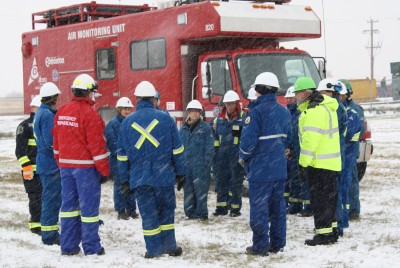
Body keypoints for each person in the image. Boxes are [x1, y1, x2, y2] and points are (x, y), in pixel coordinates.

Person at [117, 81, 185, 258]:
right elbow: (177, 150)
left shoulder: (126, 123)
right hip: (164, 176)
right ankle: (169, 247)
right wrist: (181, 173)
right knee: (166, 212)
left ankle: (154, 250)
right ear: (154, 98)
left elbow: (122, 156)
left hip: (140, 178)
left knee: (148, 215)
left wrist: (124, 179)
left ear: (137, 98)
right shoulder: (166, 119)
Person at [53, 74, 110, 256]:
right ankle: (92, 247)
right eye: (93, 92)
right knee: (89, 210)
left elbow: (56, 144)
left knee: (69, 208)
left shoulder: (62, 111)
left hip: (66, 168)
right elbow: (98, 146)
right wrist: (104, 171)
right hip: (85, 169)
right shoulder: (90, 114)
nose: (94, 96)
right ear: (88, 92)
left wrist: (61, 163)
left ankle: (68, 246)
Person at [240, 72, 292, 256]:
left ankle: (260, 246)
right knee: (278, 208)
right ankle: (278, 244)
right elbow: (288, 140)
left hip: (260, 172)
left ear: (259, 90)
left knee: (259, 210)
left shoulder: (255, 113)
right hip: (279, 170)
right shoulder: (285, 112)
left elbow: (247, 144)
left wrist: (243, 157)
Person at [293, 77, 341, 246]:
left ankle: (324, 235)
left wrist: (302, 163)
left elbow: (309, 141)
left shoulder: (313, 111)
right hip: (331, 162)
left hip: (319, 163)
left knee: (321, 201)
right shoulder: (324, 107)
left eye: (297, 93)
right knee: (330, 200)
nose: (295, 97)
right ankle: (332, 230)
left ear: (305, 93)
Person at [317, 79, 348, 239]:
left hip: (332, 155)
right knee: (334, 193)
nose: (320, 95)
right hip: (335, 154)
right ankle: (336, 226)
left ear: (329, 93)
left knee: (333, 194)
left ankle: (337, 226)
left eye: (322, 93)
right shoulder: (338, 107)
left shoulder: (333, 109)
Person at [33, 82, 62, 246]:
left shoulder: (41, 113)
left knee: (49, 199)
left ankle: (48, 231)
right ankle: (50, 235)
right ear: (53, 97)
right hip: (50, 165)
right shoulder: (47, 116)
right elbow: (52, 141)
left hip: (44, 164)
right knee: (52, 200)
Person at [212, 90, 245, 217]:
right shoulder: (218, 119)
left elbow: (245, 138)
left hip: (236, 155)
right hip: (221, 156)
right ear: (224, 104)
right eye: (227, 104)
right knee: (221, 182)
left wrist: (242, 155)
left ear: (236, 104)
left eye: (232, 104)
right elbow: (214, 136)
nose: (230, 107)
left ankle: (235, 208)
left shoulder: (243, 119)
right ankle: (221, 208)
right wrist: (216, 153)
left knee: (235, 183)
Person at [179, 100, 214, 221]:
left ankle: (202, 214)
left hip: (200, 166)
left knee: (201, 191)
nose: (194, 113)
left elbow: (210, 148)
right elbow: (179, 148)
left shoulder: (205, 128)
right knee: (188, 190)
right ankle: (190, 212)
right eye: (192, 111)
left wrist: (206, 164)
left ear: (200, 113)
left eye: (196, 111)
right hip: (186, 165)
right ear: (188, 112)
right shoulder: (183, 129)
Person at [105, 97, 138, 220]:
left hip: (130, 160)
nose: (127, 111)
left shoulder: (132, 122)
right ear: (119, 110)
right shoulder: (113, 125)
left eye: (129, 109)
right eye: (125, 109)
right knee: (120, 185)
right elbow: (112, 144)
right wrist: (125, 153)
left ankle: (131, 210)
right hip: (118, 161)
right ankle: (121, 210)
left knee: (130, 184)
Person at [15, 95, 43, 235]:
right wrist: (26, 167)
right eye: (39, 107)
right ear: (33, 108)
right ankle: (36, 225)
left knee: (45, 197)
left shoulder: (45, 123)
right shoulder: (24, 126)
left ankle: (46, 222)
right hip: (31, 171)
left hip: (45, 170)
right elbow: (20, 151)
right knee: (35, 197)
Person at [339, 79, 365, 220]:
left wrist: (347, 140)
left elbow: (360, 130)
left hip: (350, 151)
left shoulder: (355, 110)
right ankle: (344, 208)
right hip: (341, 151)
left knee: (351, 181)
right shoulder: (340, 110)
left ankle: (354, 210)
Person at [285, 86, 312, 216]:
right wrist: (289, 148)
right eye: (288, 97)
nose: (289, 100)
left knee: (304, 179)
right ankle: (295, 204)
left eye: (291, 97)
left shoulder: (301, 112)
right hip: (294, 151)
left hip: (303, 150)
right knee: (294, 179)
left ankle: (308, 206)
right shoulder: (288, 114)